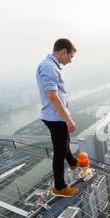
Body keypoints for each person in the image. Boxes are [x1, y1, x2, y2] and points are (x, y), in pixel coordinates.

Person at [36, 38, 79, 197]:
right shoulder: (49, 67)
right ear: (63, 52)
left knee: (64, 141)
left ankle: (73, 162)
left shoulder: (50, 65)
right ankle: (59, 187)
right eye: (71, 56)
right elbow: (53, 96)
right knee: (60, 151)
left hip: (54, 115)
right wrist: (68, 119)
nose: (70, 60)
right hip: (55, 117)